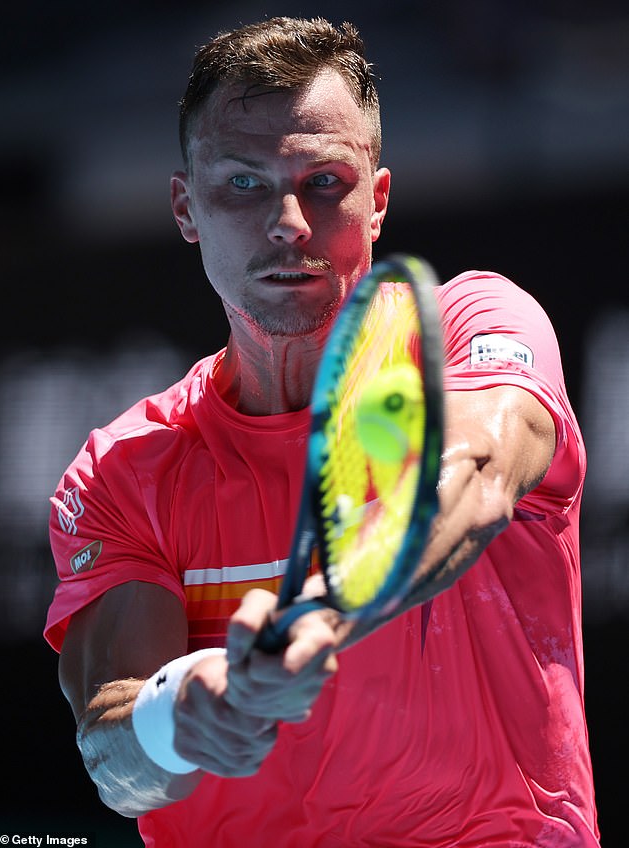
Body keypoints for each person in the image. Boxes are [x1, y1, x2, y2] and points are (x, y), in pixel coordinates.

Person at [45, 16, 600, 847]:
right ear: (184, 207)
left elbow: (479, 471)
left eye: (325, 182)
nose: (290, 223)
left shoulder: (468, 325)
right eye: (243, 184)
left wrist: (329, 613)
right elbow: (113, 757)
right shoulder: (124, 470)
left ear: (376, 201)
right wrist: (187, 712)